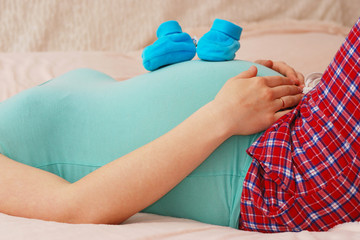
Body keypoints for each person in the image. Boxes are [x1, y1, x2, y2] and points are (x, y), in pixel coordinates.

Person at [0, 18, 358, 233]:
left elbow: (132, 114)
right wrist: (222, 114)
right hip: (275, 173)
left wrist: (248, 77)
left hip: (293, 123)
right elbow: (75, 207)